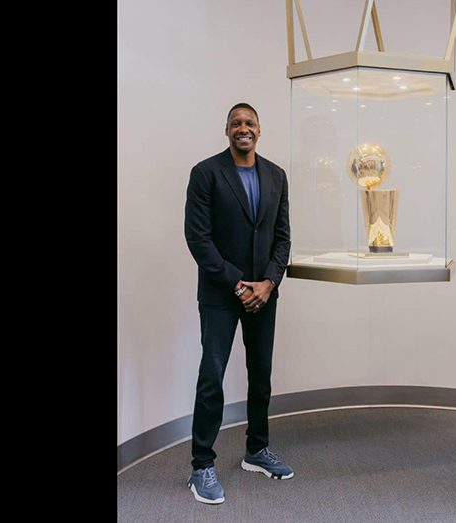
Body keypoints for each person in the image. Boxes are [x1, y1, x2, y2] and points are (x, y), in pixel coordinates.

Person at [184, 102, 293, 504]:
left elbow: (283, 238)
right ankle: (201, 465)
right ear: (226, 130)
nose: (242, 128)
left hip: (264, 295)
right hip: (220, 295)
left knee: (260, 375)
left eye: (249, 123)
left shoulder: (276, 176)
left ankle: (256, 449)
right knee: (212, 377)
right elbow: (198, 239)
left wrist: (267, 283)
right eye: (235, 123)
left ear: (259, 130)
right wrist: (238, 285)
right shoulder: (205, 174)